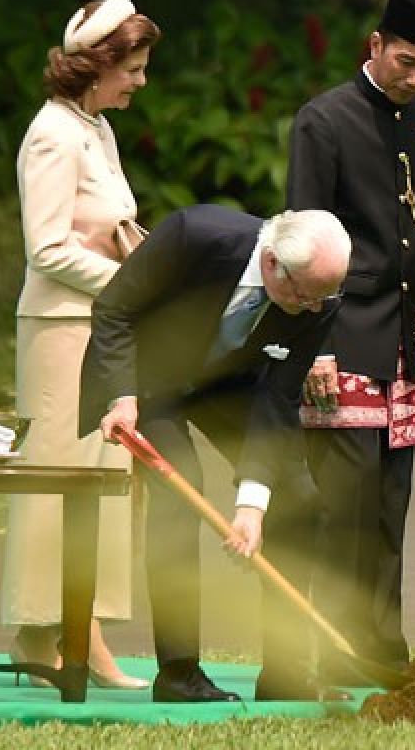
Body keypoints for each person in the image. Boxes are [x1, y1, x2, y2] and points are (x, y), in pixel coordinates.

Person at [79, 205, 351, 703]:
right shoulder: (195, 235)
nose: (314, 309)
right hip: (152, 381)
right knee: (180, 493)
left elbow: (277, 396)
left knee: (298, 496)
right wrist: (121, 396)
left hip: (229, 384)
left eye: (323, 297)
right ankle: (178, 673)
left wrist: (252, 504)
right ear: (272, 263)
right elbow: (115, 309)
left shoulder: (318, 297)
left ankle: (285, 671)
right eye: (303, 295)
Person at [282, 0, 415, 684]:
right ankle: (333, 646)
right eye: (406, 62)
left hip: (407, 343)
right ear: (375, 45)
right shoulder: (322, 121)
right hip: (342, 331)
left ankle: (384, 651)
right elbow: (298, 239)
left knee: (391, 503)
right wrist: (315, 345)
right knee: (342, 509)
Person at [0, 0, 159, 690]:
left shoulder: (94, 127)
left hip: (99, 329)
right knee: (60, 484)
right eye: (135, 67)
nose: (141, 81)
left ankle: (59, 633)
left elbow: (112, 225)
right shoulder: (53, 135)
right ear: (100, 65)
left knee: (100, 481)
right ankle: (61, 635)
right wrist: (128, 285)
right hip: (61, 332)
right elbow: (48, 250)